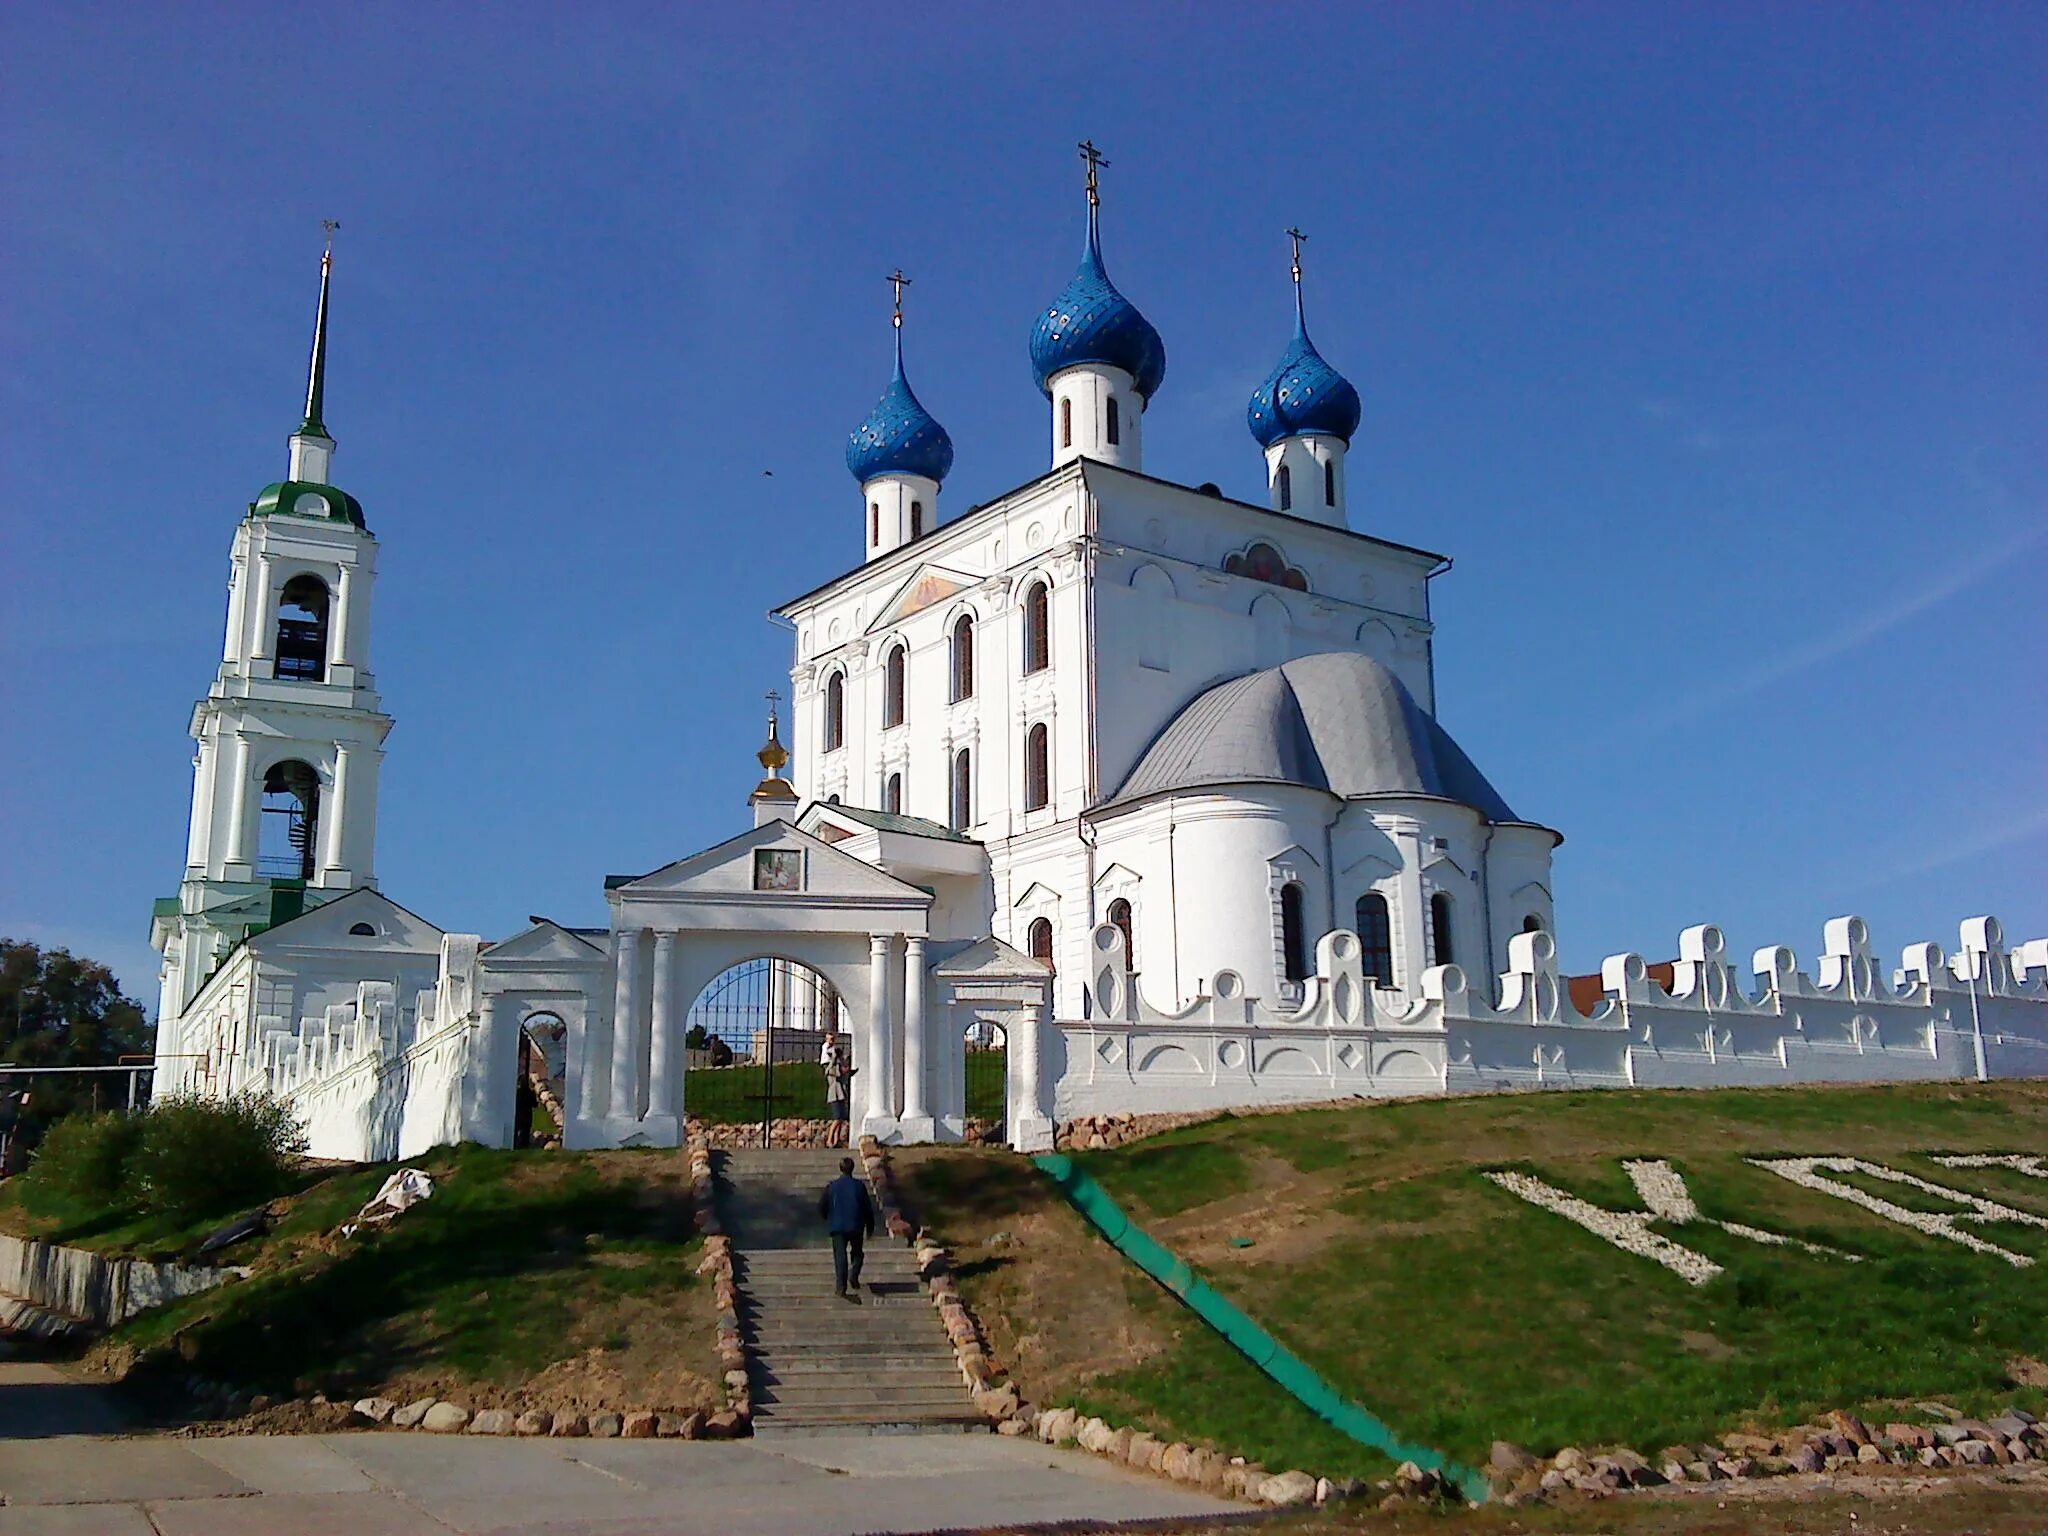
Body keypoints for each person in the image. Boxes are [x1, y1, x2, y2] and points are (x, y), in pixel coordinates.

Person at [817, 1154, 875, 1302]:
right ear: (852, 1169)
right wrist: (870, 1226)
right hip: (856, 1224)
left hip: (837, 1226)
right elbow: (867, 1208)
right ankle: (853, 1275)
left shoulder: (832, 1186)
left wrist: (827, 1218)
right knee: (857, 1254)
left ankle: (841, 1286)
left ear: (840, 1169)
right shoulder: (859, 1186)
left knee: (840, 1257)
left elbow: (822, 1206)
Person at [823, 1036, 856, 1143]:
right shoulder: (831, 1068)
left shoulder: (839, 1066)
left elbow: (845, 1071)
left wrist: (843, 1062)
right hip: (835, 1095)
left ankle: (836, 1140)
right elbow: (834, 1073)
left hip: (841, 1094)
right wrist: (833, 1059)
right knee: (837, 1119)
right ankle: (829, 1140)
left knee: (841, 1119)